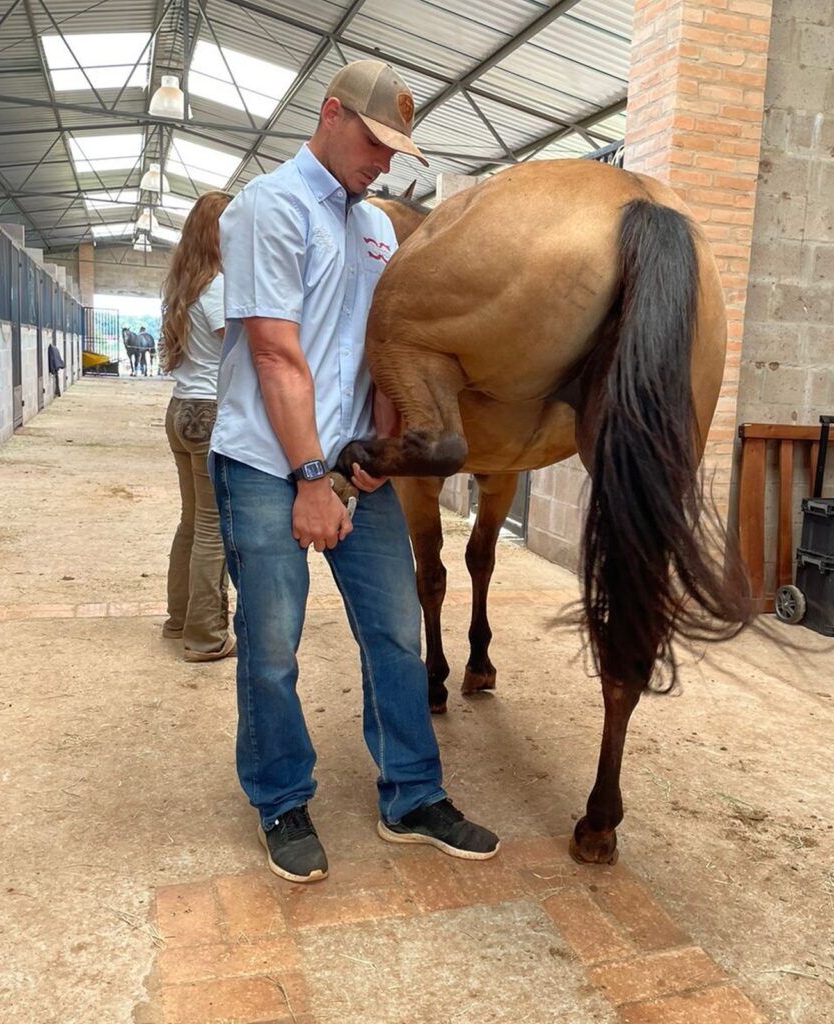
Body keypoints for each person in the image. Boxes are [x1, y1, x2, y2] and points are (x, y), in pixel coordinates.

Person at [210, 59, 499, 884]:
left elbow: (381, 351)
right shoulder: (269, 207)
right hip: (271, 462)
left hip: (354, 464)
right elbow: (275, 352)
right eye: (373, 142)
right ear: (329, 115)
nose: (382, 162)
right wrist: (308, 478)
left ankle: (412, 793)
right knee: (273, 644)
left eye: (393, 150)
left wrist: (378, 449)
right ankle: (280, 797)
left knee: (395, 634)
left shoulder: (376, 227)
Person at [160, 192, 236, 662]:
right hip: (210, 411)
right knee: (212, 527)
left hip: (180, 410)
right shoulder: (219, 287)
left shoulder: (183, 286)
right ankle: (206, 637)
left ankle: (178, 619)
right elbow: (239, 352)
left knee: (192, 520)